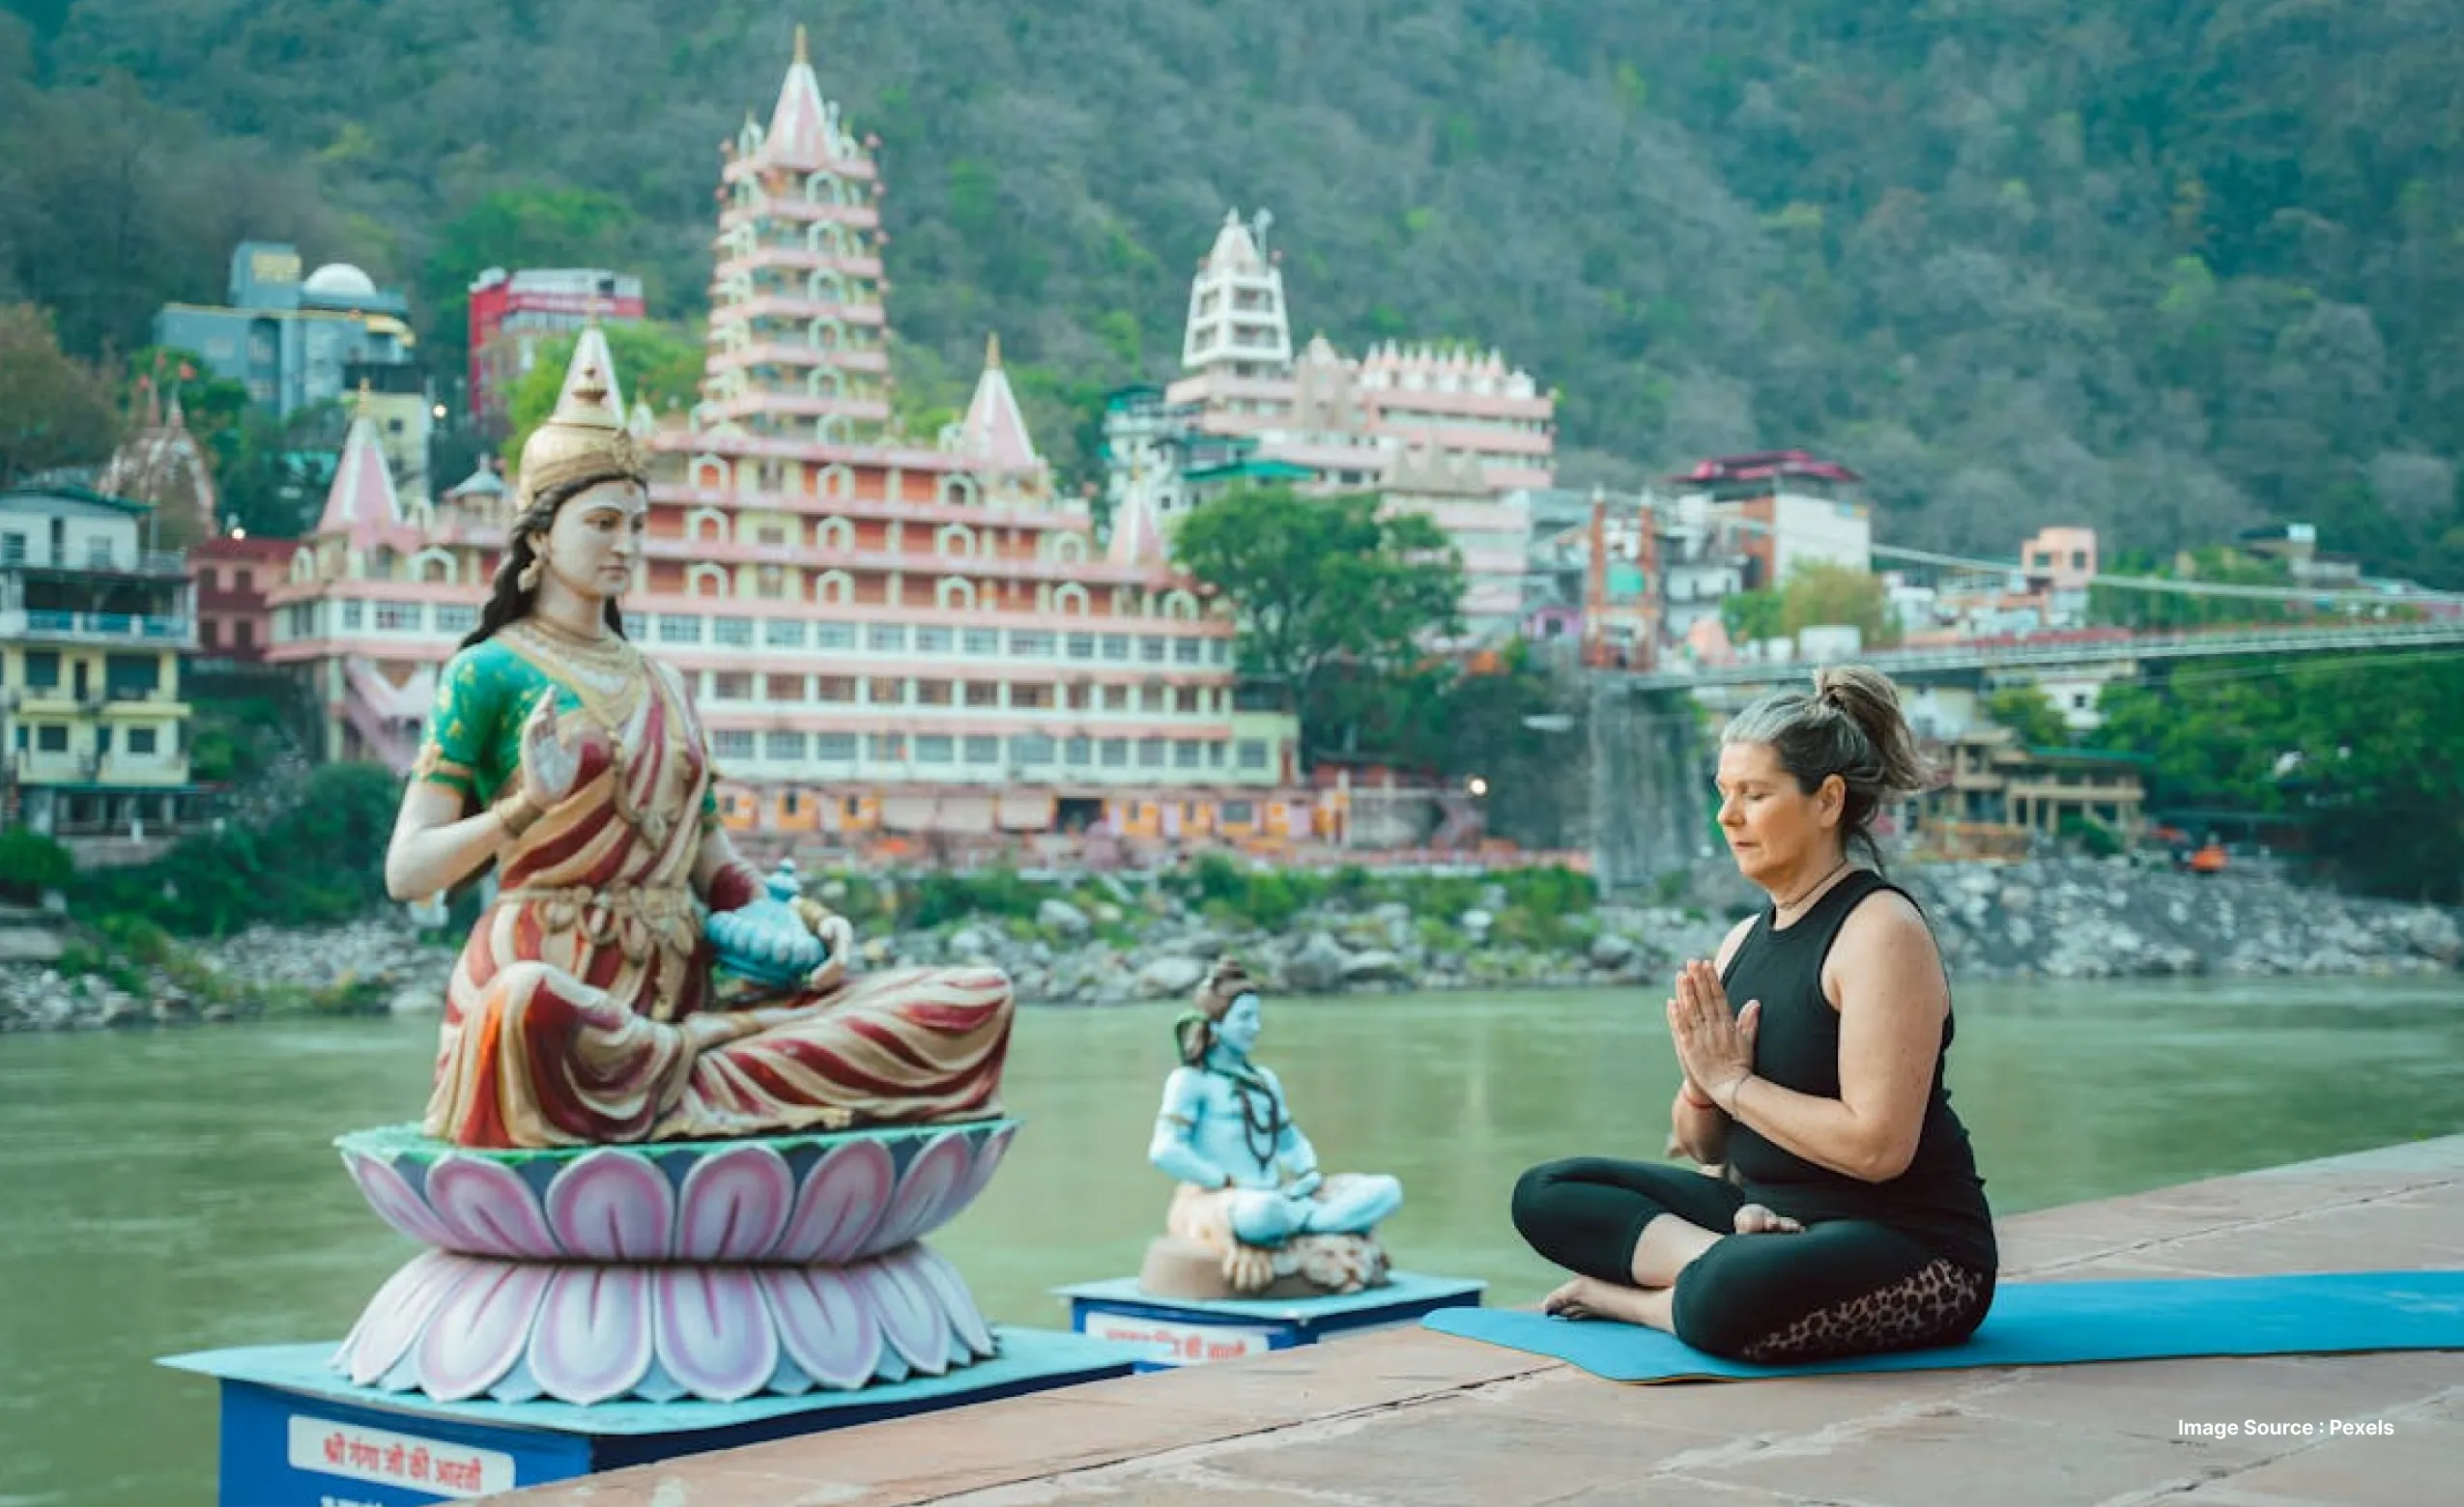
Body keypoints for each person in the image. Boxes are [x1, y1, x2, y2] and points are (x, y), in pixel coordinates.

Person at [383, 359, 1013, 1149]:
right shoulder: (487, 671)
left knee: (974, 995)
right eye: (603, 522)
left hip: (683, 996)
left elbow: (715, 867)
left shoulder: (666, 683)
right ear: (540, 535)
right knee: (523, 1002)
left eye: (637, 525)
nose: (625, 545)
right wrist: (523, 810)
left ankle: (686, 1074)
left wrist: (804, 925)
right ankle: (683, 1079)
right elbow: (407, 872)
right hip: (559, 1011)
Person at [1510, 666, 1995, 1363]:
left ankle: (1644, 1298)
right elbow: (1705, 1148)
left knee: (1734, 1290)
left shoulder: (1879, 931)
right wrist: (1700, 1087)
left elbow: (1878, 1149)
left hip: (1911, 1246)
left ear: (1827, 801)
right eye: (1724, 794)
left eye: (1755, 795)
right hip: (1757, 1217)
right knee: (1548, 1192)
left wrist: (1736, 1085)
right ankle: (1711, 1261)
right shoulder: (1742, 939)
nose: (1727, 817)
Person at [1148, 959, 1402, 1292]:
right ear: (1215, 1024)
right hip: (1226, 1201)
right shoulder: (1191, 1080)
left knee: (1386, 1190)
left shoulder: (1264, 1080)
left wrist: (1306, 1171)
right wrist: (1224, 1180)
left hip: (1279, 1194)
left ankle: (1309, 1223)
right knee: (1263, 1212)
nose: (1254, 1027)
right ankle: (1310, 1224)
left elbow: (1288, 1139)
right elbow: (1165, 1150)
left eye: (1257, 1018)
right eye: (1244, 1018)